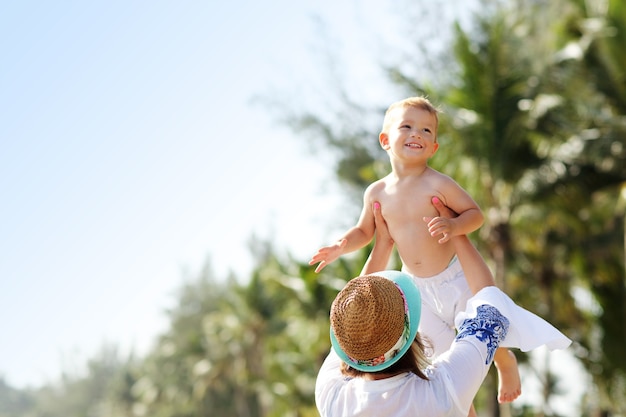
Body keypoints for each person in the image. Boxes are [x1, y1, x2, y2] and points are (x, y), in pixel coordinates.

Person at [309, 96, 521, 403]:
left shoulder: (438, 183)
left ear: (434, 147)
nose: (416, 134)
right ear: (385, 140)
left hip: (454, 277)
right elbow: (365, 231)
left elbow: (475, 214)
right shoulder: (377, 191)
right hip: (417, 289)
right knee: (442, 360)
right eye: (406, 126)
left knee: (480, 330)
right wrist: (341, 246)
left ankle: (504, 362)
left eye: (426, 131)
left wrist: (453, 227)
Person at [315, 200, 572, 417]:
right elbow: (490, 304)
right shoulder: (443, 389)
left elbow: (356, 325)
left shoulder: (333, 398)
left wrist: (382, 244)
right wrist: (457, 232)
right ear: (411, 331)